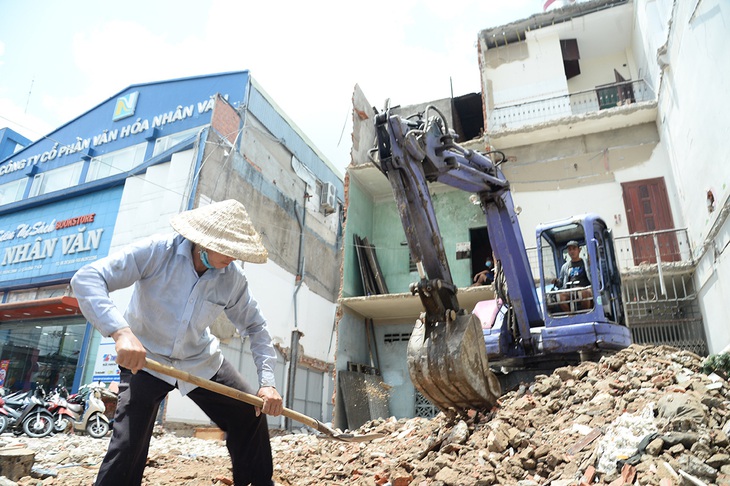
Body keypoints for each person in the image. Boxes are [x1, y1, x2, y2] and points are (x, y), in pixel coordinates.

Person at [70, 199, 283, 486]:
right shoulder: (158, 252)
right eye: (228, 250)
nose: (233, 258)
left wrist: (267, 382)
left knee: (250, 412)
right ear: (204, 241)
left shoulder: (232, 279)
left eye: (238, 252)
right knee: (128, 445)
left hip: (199, 361)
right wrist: (120, 332)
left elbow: (256, 327)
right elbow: (87, 278)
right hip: (145, 360)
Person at [552, 240, 593, 311]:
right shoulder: (565, 267)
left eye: (574, 249)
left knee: (584, 293)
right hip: (570, 290)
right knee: (560, 296)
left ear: (579, 250)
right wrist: (556, 281)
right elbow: (561, 283)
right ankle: (570, 316)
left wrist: (592, 265)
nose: (572, 251)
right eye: (570, 249)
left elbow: (596, 277)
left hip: (585, 288)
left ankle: (585, 315)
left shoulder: (587, 263)